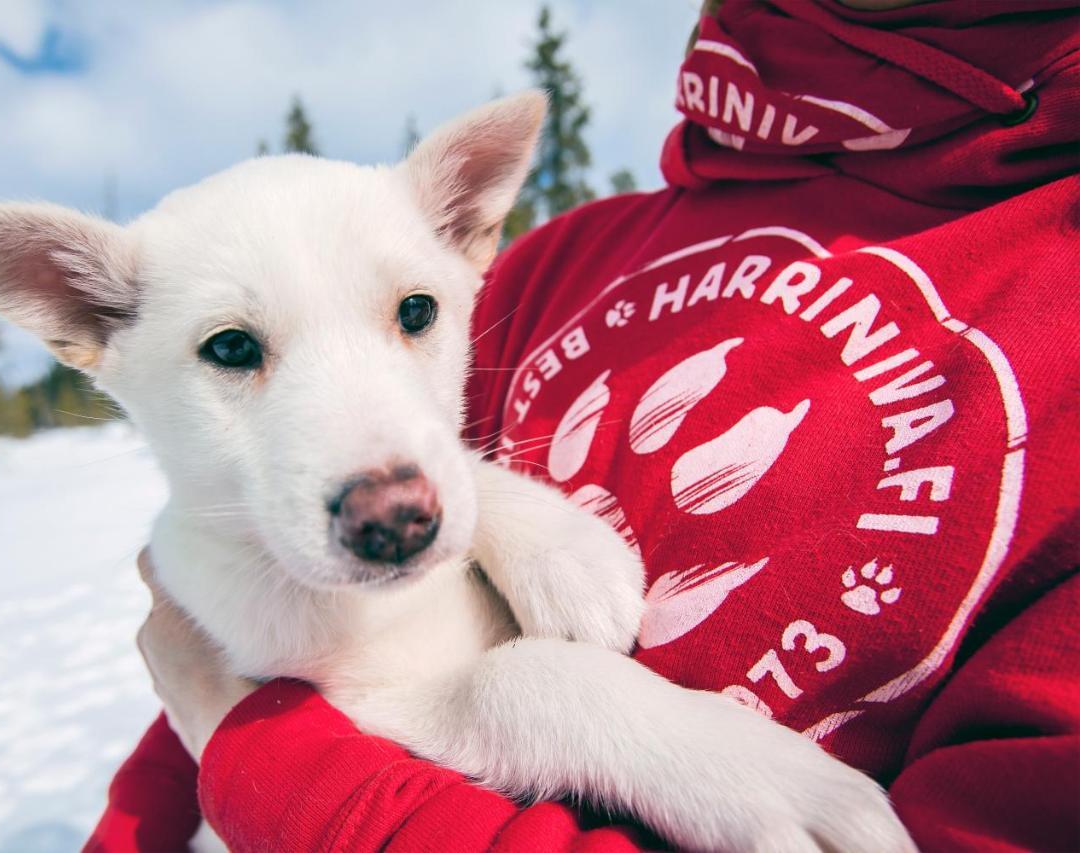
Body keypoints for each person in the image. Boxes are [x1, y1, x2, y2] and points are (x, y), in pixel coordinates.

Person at [86, 0, 1080, 849]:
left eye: (412, 316)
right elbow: (248, 656)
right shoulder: (547, 271)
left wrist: (256, 750)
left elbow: (240, 707)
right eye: (234, 351)